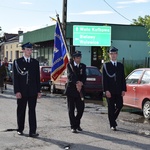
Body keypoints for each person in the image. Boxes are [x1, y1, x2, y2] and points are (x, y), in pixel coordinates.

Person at [13, 42, 41, 137]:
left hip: (32, 91)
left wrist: (39, 91)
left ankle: (32, 131)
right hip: (22, 91)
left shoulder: (35, 62)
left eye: (31, 49)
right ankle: (20, 129)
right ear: (23, 50)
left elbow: (37, 78)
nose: (30, 51)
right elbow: (15, 78)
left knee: (32, 111)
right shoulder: (17, 62)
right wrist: (17, 91)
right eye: (28, 49)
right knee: (21, 110)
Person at [102, 47, 126, 131]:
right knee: (111, 107)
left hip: (118, 90)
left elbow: (123, 78)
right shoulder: (106, 65)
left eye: (115, 54)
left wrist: (123, 89)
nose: (113, 55)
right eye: (111, 54)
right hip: (110, 91)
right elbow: (104, 79)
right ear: (109, 55)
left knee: (120, 105)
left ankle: (113, 119)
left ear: (117, 55)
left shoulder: (120, 65)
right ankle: (112, 124)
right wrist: (106, 90)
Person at [65, 51, 87, 133]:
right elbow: (70, 76)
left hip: (80, 90)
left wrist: (81, 83)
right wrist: (76, 83)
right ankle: (73, 126)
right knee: (71, 109)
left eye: (79, 57)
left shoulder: (83, 66)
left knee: (81, 108)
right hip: (71, 90)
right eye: (77, 58)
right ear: (73, 58)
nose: (79, 59)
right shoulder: (69, 65)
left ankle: (77, 123)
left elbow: (84, 76)